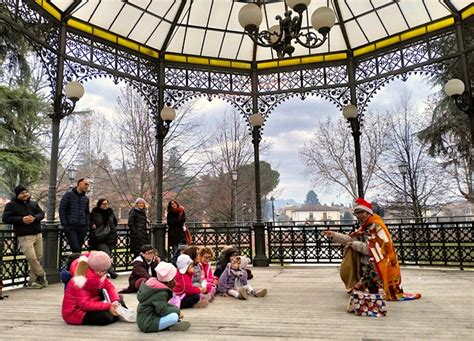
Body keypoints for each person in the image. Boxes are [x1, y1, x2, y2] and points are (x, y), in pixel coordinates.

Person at [323, 198, 421, 301]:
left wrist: (354, 245)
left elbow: (372, 250)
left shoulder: (376, 226)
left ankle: (376, 288)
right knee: (359, 290)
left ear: (368, 212)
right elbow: (351, 239)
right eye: (357, 213)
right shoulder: (365, 227)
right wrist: (334, 236)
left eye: (361, 212)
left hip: (379, 266)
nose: (359, 216)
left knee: (365, 291)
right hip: (366, 265)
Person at [62, 251, 136, 325]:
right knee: (105, 317)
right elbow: (84, 304)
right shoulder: (80, 281)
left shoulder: (99, 274)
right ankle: (117, 313)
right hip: (76, 313)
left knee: (118, 298)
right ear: (97, 270)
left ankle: (119, 311)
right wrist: (108, 306)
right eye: (104, 271)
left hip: (93, 302)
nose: (105, 273)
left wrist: (115, 301)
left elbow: (109, 287)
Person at [2, 185, 47, 289]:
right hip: (24, 235)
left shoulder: (33, 203)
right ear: (17, 195)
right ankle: (41, 274)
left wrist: (35, 218)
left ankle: (33, 282)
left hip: (37, 233)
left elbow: (41, 213)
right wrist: (21, 219)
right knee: (31, 258)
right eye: (22, 193)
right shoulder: (11, 205)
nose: (25, 194)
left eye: (26, 192)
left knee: (38, 258)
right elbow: (6, 218)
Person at [136, 261, 191, 332]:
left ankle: (170, 324)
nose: (175, 280)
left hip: (144, 319)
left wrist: (174, 308)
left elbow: (162, 305)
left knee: (173, 312)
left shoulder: (154, 286)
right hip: (148, 323)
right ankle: (169, 325)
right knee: (174, 316)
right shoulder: (160, 292)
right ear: (169, 280)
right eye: (173, 278)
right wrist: (178, 312)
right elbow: (162, 310)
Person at [59, 178, 90, 253]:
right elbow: (62, 209)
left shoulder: (86, 198)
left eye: (88, 184)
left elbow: (87, 212)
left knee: (78, 249)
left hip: (82, 227)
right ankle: (74, 264)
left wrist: (87, 224)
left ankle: (74, 264)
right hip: (70, 226)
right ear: (79, 184)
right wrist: (65, 224)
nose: (87, 186)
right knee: (76, 248)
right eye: (86, 184)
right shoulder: (68, 194)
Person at [90, 198, 118, 278]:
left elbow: (114, 223)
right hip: (100, 238)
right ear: (99, 205)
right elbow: (91, 222)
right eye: (103, 204)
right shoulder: (95, 213)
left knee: (106, 255)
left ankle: (103, 273)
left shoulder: (110, 213)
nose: (105, 205)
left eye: (106, 204)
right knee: (106, 255)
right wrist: (92, 225)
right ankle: (112, 272)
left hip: (111, 237)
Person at [166, 200, 186, 265]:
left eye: (174, 203)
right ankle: (175, 264)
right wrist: (178, 221)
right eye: (172, 204)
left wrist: (177, 222)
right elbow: (170, 223)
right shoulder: (170, 213)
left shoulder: (181, 211)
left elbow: (183, 220)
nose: (174, 204)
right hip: (174, 234)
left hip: (181, 234)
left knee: (182, 249)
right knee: (175, 250)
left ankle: (182, 263)